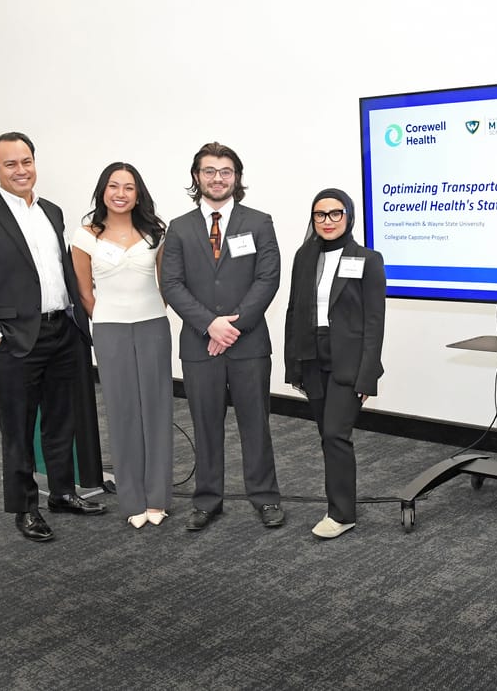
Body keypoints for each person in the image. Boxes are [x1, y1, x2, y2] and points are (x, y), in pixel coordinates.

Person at [0, 131, 107, 542]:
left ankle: (61, 493)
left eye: (26, 161)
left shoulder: (52, 212)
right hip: (16, 339)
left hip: (63, 332)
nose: (21, 170)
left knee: (61, 421)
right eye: (10, 164)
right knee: (19, 429)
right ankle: (25, 508)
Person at [160, 142, 283, 531]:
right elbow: (172, 284)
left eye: (226, 171)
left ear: (237, 177)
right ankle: (208, 500)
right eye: (209, 171)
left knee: (255, 423)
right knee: (205, 423)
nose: (217, 178)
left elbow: (268, 279)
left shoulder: (259, 221)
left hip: (248, 344)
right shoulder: (179, 227)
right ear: (197, 177)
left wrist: (233, 326)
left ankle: (264, 497)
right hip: (199, 344)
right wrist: (209, 325)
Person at [71, 162, 173, 529]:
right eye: (113, 186)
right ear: (102, 190)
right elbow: (85, 293)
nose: (120, 193)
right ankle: (132, 499)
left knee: (158, 411)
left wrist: (146, 313)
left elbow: (166, 286)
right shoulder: (84, 237)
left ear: (138, 193)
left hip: (153, 327)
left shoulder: (156, 233)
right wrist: (109, 320)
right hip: (110, 329)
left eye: (129, 187)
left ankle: (158, 497)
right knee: (122, 411)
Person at [284, 188, 385, 539]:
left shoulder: (368, 259)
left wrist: (367, 376)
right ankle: (338, 506)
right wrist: (292, 364)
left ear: (349, 216)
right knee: (325, 436)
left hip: (349, 361)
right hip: (311, 355)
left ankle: (341, 513)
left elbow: (375, 322)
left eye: (335, 213)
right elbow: (294, 310)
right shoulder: (303, 256)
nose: (327, 221)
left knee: (335, 434)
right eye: (320, 215)